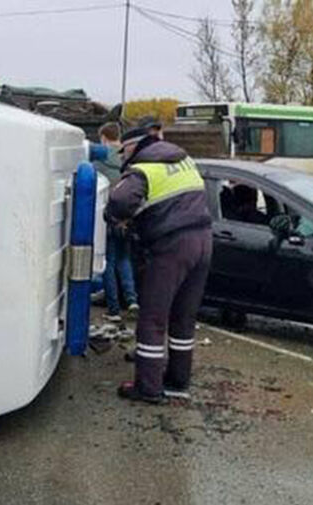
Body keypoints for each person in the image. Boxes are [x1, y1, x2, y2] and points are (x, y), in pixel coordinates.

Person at [107, 125, 212, 403]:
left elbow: (118, 201)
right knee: (183, 318)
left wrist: (118, 219)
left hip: (171, 246)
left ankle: (148, 387)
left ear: (132, 147)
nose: (122, 157)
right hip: (203, 241)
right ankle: (178, 381)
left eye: (123, 151)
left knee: (152, 319)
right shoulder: (183, 159)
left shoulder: (143, 169)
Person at [95, 122, 139, 321]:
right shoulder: (129, 159)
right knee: (125, 259)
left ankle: (113, 310)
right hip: (127, 217)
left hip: (107, 217)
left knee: (109, 262)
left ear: (104, 137)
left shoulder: (98, 161)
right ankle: (131, 299)